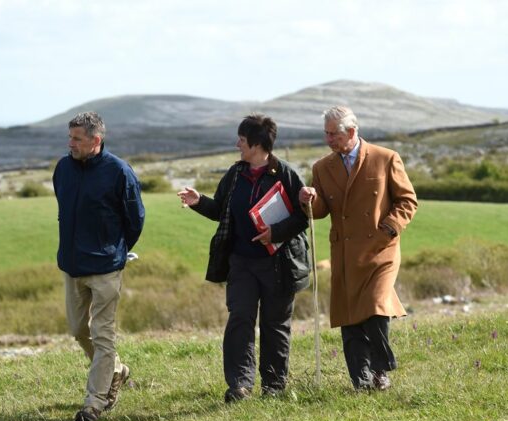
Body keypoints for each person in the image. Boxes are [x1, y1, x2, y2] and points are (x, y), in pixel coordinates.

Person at [177, 114, 309, 402]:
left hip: (278, 264)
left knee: (275, 325)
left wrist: (275, 232)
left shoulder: (286, 174)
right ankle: (240, 385)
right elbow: (220, 210)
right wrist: (199, 201)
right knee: (239, 320)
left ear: (257, 144)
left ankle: (274, 386)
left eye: (242, 139)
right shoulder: (235, 174)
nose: (237, 144)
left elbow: (303, 217)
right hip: (241, 263)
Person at [299, 105, 417, 391]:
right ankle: (359, 379)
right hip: (344, 252)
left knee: (376, 306)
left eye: (333, 134)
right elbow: (320, 211)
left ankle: (380, 369)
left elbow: (407, 200)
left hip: (380, 250)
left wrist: (388, 228)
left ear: (351, 131)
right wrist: (308, 199)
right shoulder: (322, 168)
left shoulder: (386, 158)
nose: (329, 140)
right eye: (326, 134)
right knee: (350, 316)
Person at [53, 111, 145, 421]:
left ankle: (94, 403)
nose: (71, 144)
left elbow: (135, 220)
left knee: (102, 334)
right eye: (70, 137)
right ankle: (117, 370)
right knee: (79, 330)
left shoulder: (119, 171)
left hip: (106, 267)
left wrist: (114, 251)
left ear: (96, 140)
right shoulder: (63, 168)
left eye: (77, 139)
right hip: (72, 265)